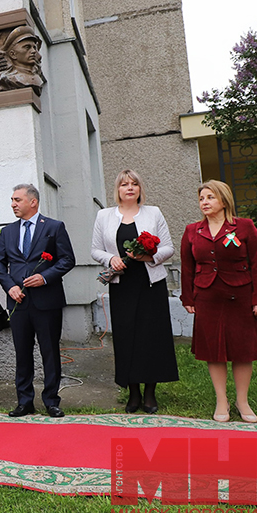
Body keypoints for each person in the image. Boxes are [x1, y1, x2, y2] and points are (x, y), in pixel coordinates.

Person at [91, 170, 178, 413]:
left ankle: (150, 393)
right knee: (126, 337)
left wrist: (149, 256)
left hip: (151, 284)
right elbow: (95, 249)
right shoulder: (104, 216)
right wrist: (111, 259)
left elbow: (169, 247)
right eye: (124, 184)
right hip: (123, 286)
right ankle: (133, 393)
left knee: (152, 337)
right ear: (117, 189)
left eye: (134, 184)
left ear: (140, 189)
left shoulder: (154, 212)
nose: (130, 188)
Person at [181, 180, 257, 423]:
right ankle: (222, 400)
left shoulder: (245, 227)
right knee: (214, 350)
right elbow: (187, 268)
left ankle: (242, 401)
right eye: (201, 199)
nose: (204, 203)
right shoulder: (192, 231)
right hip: (207, 296)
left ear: (224, 200)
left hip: (241, 296)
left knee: (242, 350)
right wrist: (188, 297)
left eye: (210, 197)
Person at [0, 184, 75, 418]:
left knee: (49, 352)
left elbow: (67, 259)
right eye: (11, 200)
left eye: (17, 199)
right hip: (18, 303)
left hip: (46, 301)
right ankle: (24, 401)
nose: (13, 204)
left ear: (33, 202)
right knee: (22, 353)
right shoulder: (7, 232)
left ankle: (51, 401)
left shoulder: (53, 227)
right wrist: (10, 287)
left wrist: (45, 277)